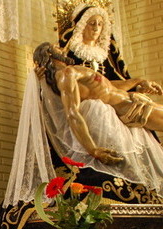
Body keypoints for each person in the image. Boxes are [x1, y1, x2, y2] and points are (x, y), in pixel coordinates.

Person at [34, 42, 163, 164]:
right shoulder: (67, 75)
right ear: (50, 54)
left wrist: (138, 81)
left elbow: (107, 87)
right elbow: (72, 113)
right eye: (57, 48)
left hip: (131, 100)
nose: (63, 50)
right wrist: (93, 149)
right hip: (130, 107)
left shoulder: (71, 73)